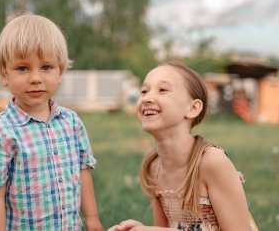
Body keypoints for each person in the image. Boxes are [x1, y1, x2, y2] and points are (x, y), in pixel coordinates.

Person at [0, 14, 104, 231]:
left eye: (46, 67)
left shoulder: (71, 123)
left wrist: (92, 218)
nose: (35, 78)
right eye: (22, 68)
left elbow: (83, 171)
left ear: (60, 71)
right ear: (4, 75)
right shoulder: (0, 133)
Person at [108, 62, 257, 231]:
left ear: (193, 108)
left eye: (163, 90)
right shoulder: (155, 167)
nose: (147, 98)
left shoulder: (212, 162)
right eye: (144, 91)